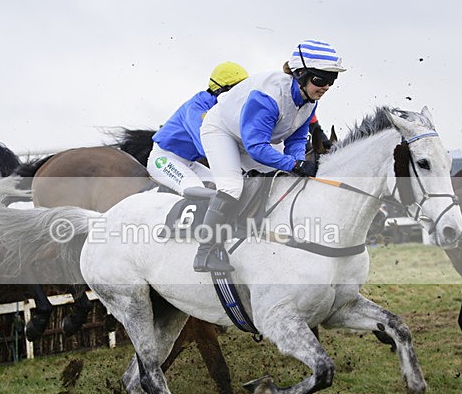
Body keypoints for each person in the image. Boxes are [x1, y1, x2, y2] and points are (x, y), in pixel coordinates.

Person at [193, 38, 346, 272]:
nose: (325, 87)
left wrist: (298, 163)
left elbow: (296, 139)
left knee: (283, 179)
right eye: (320, 80)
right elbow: (256, 147)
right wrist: (294, 164)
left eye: (331, 81)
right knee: (232, 186)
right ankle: (205, 252)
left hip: (251, 138)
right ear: (300, 74)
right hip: (222, 132)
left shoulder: (309, 101)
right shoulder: (269, 97)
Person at [147, 61, 249, 194]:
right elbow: (207, 146)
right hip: (164, 159)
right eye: (236, 89)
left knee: (227, 187)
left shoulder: (223, 107)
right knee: (194, 187)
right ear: (220, 90)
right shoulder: (197, 108)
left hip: (190, 163)